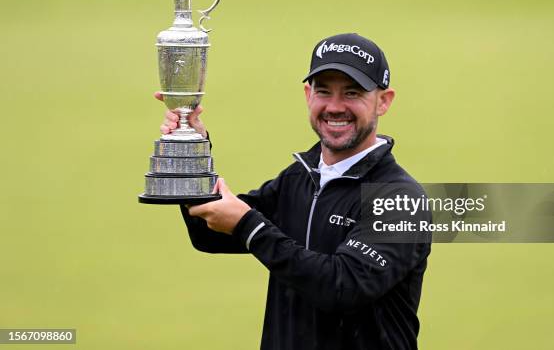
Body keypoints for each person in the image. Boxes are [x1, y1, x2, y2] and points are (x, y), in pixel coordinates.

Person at [156, 33, 432, 349]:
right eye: (323, 91)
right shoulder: (300, 177)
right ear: (307, 95)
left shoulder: (401, 200)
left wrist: (250, 225)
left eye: (352, 93)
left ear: (383, 101)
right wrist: (191, 152)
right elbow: (209, 232)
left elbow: (341, 287)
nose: (335, 106)